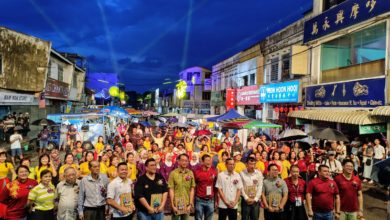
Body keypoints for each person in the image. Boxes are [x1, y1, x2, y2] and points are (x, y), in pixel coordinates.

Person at [168, 153, 195, 220]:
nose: (184, 162)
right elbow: (171, 189)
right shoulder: (173, 173)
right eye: (182, 160)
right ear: (178, 161)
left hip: (186, 203)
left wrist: (190, 204)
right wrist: (172, 205)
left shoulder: (190, 173)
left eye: (186, 161)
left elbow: (192, 188)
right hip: (176, 204)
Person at [194, 154, 217, 220]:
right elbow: (193, 186)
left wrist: (216, 200)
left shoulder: (214, 171)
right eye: (207, 160)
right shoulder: (197, 172)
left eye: (210, 160)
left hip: (210, 200)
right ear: (202, 161)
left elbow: (216, 186)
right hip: (199, 200)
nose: (209, 162)